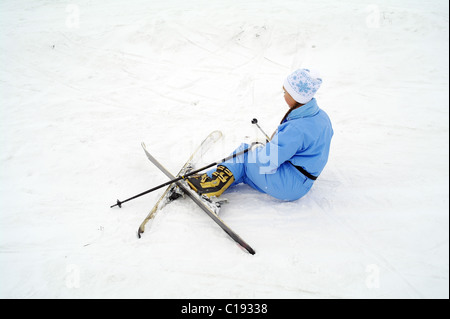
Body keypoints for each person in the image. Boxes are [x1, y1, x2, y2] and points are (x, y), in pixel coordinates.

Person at [187, 68, 333, 201]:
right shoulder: (321, 117)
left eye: (285, 93)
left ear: (297, 96)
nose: (283, 96)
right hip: (302, 183)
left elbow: (266, 161)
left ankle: (211, 183)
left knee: (243, 154)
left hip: (288, 184)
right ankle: (219, 177)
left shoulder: (296, 128)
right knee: (244, 169)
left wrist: (259, 150)